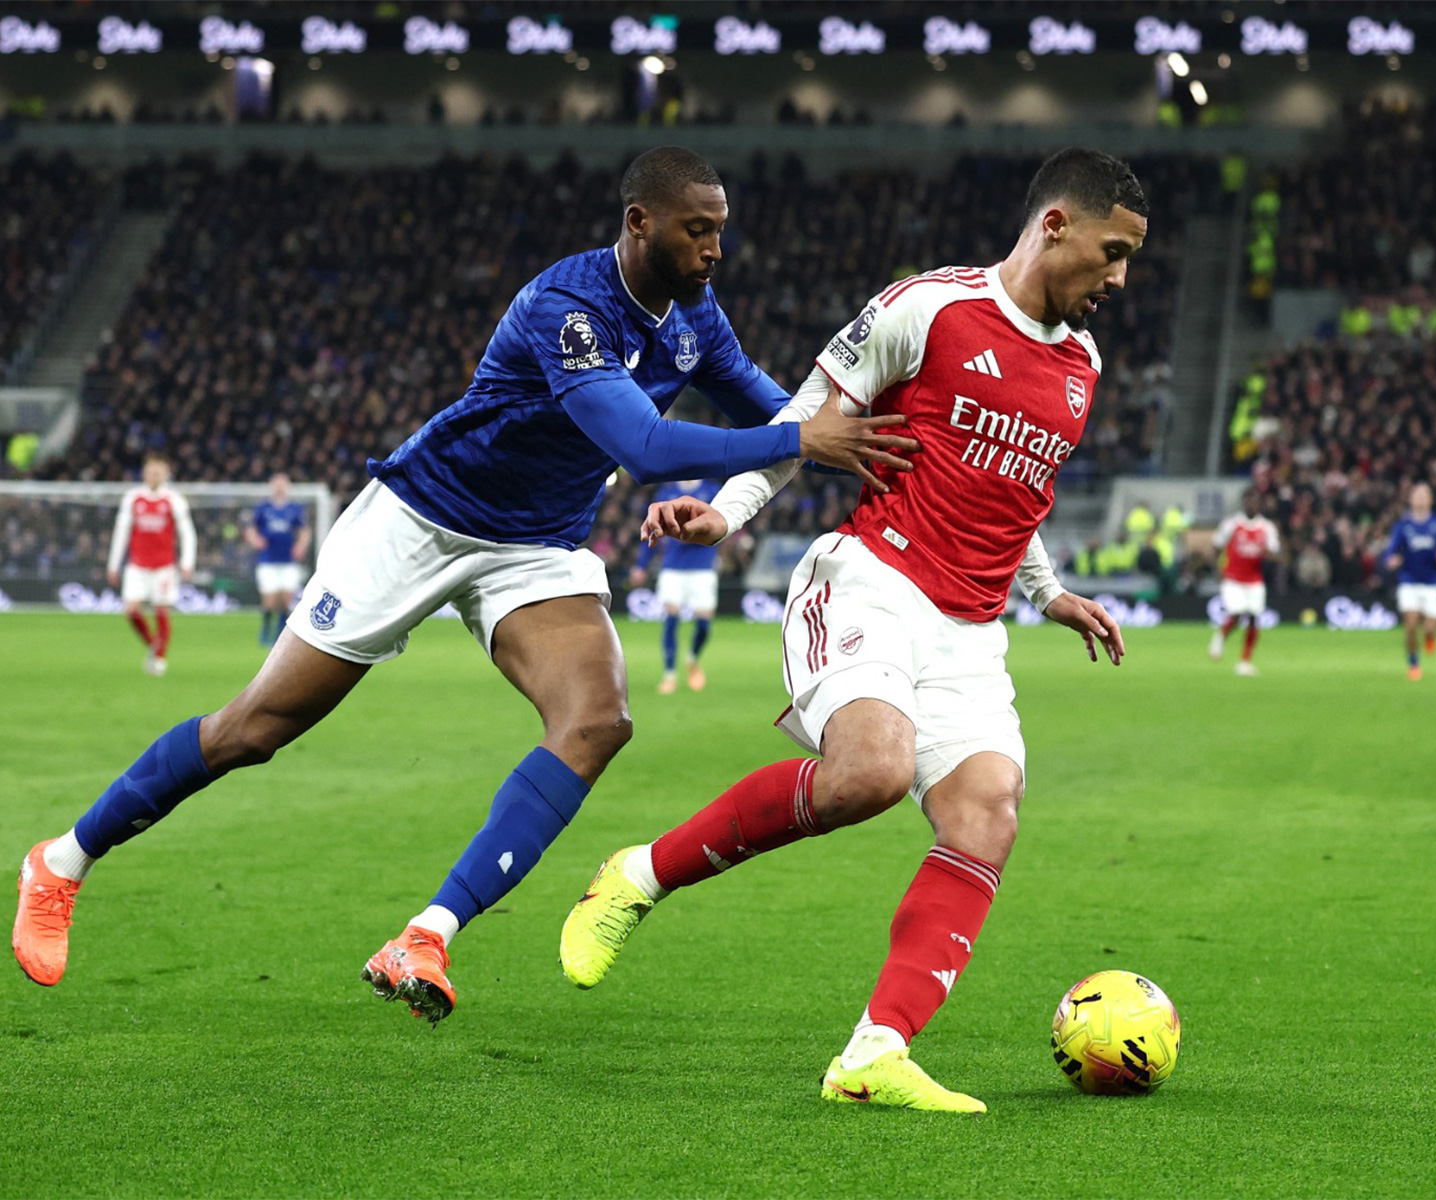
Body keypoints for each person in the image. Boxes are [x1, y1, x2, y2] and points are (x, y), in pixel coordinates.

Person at [12, 147, 916, 1025]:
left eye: (721, 231)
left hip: (536, 545)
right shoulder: (568, 306)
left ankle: (426, 935)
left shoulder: (695, 314)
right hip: (422, 518)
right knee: (256, 728)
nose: (716, 250)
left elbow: (777, 410)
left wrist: (898, 449)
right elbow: (643, 447)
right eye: (698, 231)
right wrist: (802, 442)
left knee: (597, 721)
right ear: (640, 223)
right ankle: (62, 859)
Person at [559, 147, 1145, 1113]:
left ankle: (874, 1053)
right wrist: (726, 511)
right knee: (870, 772)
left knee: (985, 815)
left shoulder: (1080, 364)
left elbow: (1017, 493)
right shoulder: (928, 307)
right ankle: (635, 876)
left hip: (972, 628)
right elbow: (809, 419)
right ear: (1055, 228)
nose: (1121, 279)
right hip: (871, 580)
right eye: (1114, 251)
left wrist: (1049, 595)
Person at [106, 452, 195, 677]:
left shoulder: (174, 500)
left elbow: (187, 534)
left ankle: (160, 658)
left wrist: (187, 562)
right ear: (144, 473)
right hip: (137, 565)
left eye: (159, 471)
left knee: (161, 610)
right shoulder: (133, 498)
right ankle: (155, 644)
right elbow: (121, 532)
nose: (154, 475)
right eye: (150, 471)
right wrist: (113, 564)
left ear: (166, 473)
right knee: (131, 610)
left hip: (164, 566)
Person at [629, 478, 721, 694]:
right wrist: (641, 565)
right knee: (671, 620)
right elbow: (654, 530)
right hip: (672, 567)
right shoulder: (666, 491)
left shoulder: (712, 490)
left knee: (704, 625)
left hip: (703, 567)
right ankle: (669, 674)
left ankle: (692, 658)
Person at [1383, 482, 1436, 681]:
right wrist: (1391, 559)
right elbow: (1391, 549)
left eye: (1424, 496)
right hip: (1409, 580)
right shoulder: (1403, 525)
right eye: (1417, 495)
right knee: (1410, 625)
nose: (1420, 499)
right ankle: (1414, 663)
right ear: (1411, 499)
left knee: (1431, 627)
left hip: (1433, 581)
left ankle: (1431, 638)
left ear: (1430, 500)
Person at [1208, 490, 1280, 676]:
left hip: (1255, 579)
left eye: (1255, 501)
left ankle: (1244, 661)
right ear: (1244, 503)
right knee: (1237, 613)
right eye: (1249, 501)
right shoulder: (1232, 524)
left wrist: (1268, 554)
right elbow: (1216, 545)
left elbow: (1274, 553)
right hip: (1233, 578)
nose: (1252, 505)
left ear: (1259, 504)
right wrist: (1218, 568)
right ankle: (1221, 636)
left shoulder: (1266, 527)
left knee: (1254, 618)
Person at [243, 472, 310, 647]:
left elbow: (304, 531)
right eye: (277, 483)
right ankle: (266, 629)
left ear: (287, 486)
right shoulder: (263, 508)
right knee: (269, 600)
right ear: (272, 486)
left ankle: (280, 633)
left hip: (288, 560)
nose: (280, 487)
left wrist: (301, 545)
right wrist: (255, 540)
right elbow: (251, 529)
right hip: (268, 560)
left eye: (283, 483)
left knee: (287, 599)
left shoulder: (295, 508)